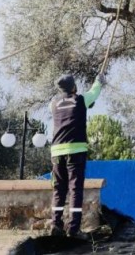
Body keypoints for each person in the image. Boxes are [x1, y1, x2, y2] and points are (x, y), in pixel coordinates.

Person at [49, 73, 105, 238]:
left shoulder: (52, 103)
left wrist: (88, 103)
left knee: (59, 189)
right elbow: (94, 93)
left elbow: (68, 108)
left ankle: (56, 225)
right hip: (75, 150)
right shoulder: (80, 99)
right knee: (75, 189)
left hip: (57, 151)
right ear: (73, 87)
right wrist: (98, 81)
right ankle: (73, 230)